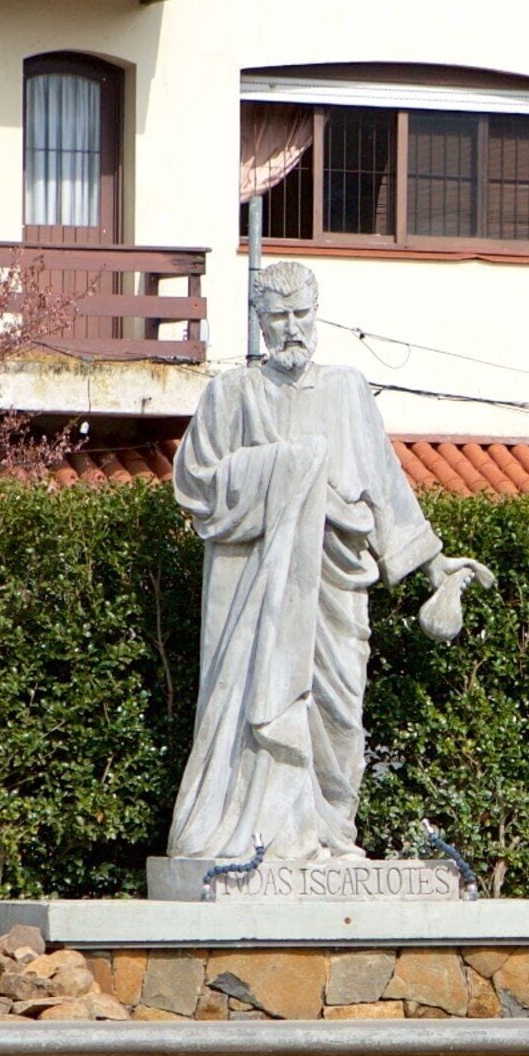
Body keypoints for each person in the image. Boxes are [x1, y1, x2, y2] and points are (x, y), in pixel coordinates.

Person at [167, 260, 490, 870]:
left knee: (341, 715)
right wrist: (289, 468)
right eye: (278, 317)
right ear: (260, 323)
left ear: (316, 316)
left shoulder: (346, 390)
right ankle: (267, 839)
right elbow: (197, 484)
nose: (292, 329)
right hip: (259, 594)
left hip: (338, 583)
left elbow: (384, 487)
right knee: (265, 707)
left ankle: (332, 836)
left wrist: (435, 566)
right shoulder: (232, 395)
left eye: (301, 316)